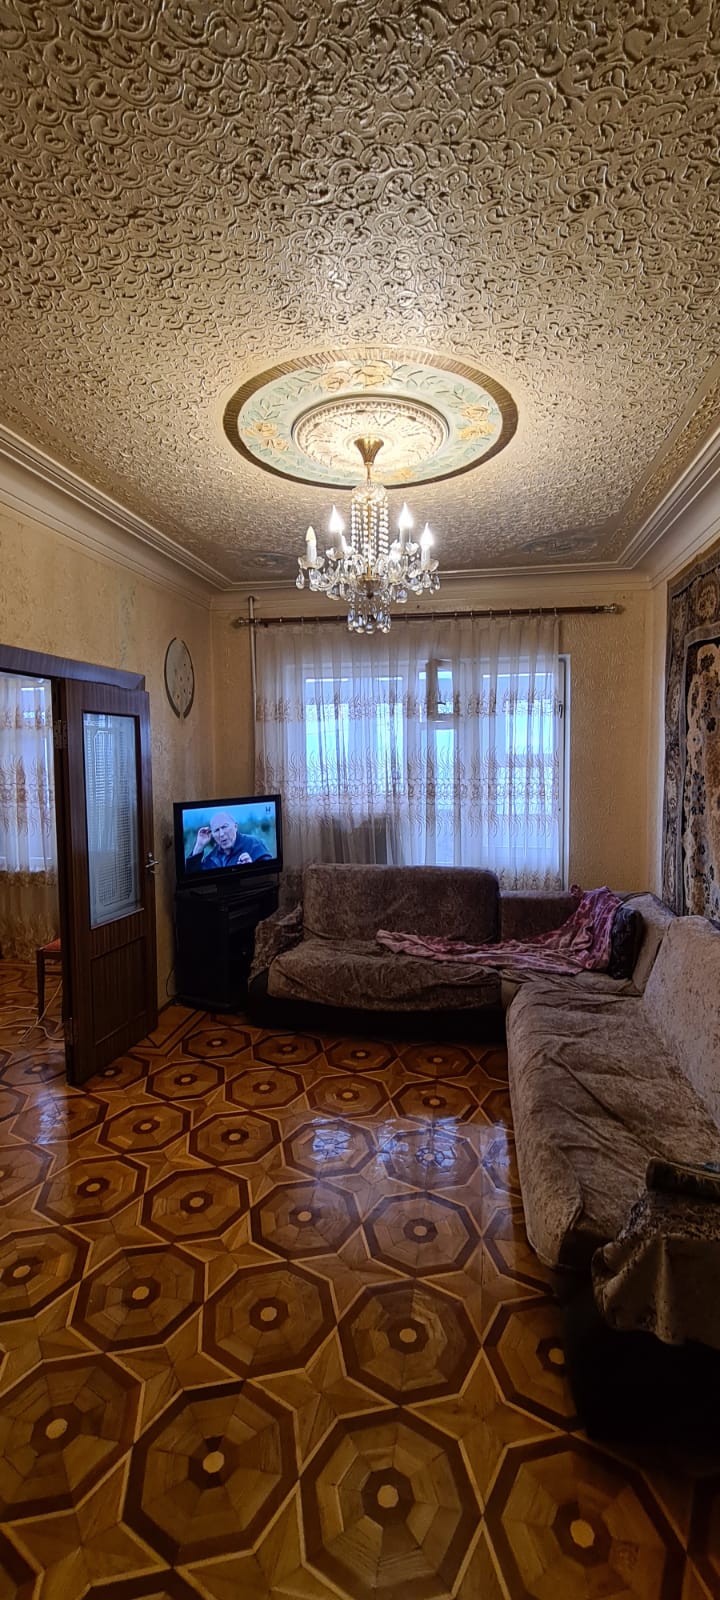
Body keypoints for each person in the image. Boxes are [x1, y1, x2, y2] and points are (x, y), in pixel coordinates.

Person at [186, 810, 272, 872]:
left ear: (235, 826)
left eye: (224, 827)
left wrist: (251, 867)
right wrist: (199, 846)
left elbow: (269, 872)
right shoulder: (212, 858)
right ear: (212, 835)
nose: (221, 834)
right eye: (216, 830)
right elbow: (193, 878)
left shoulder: (253, 843)